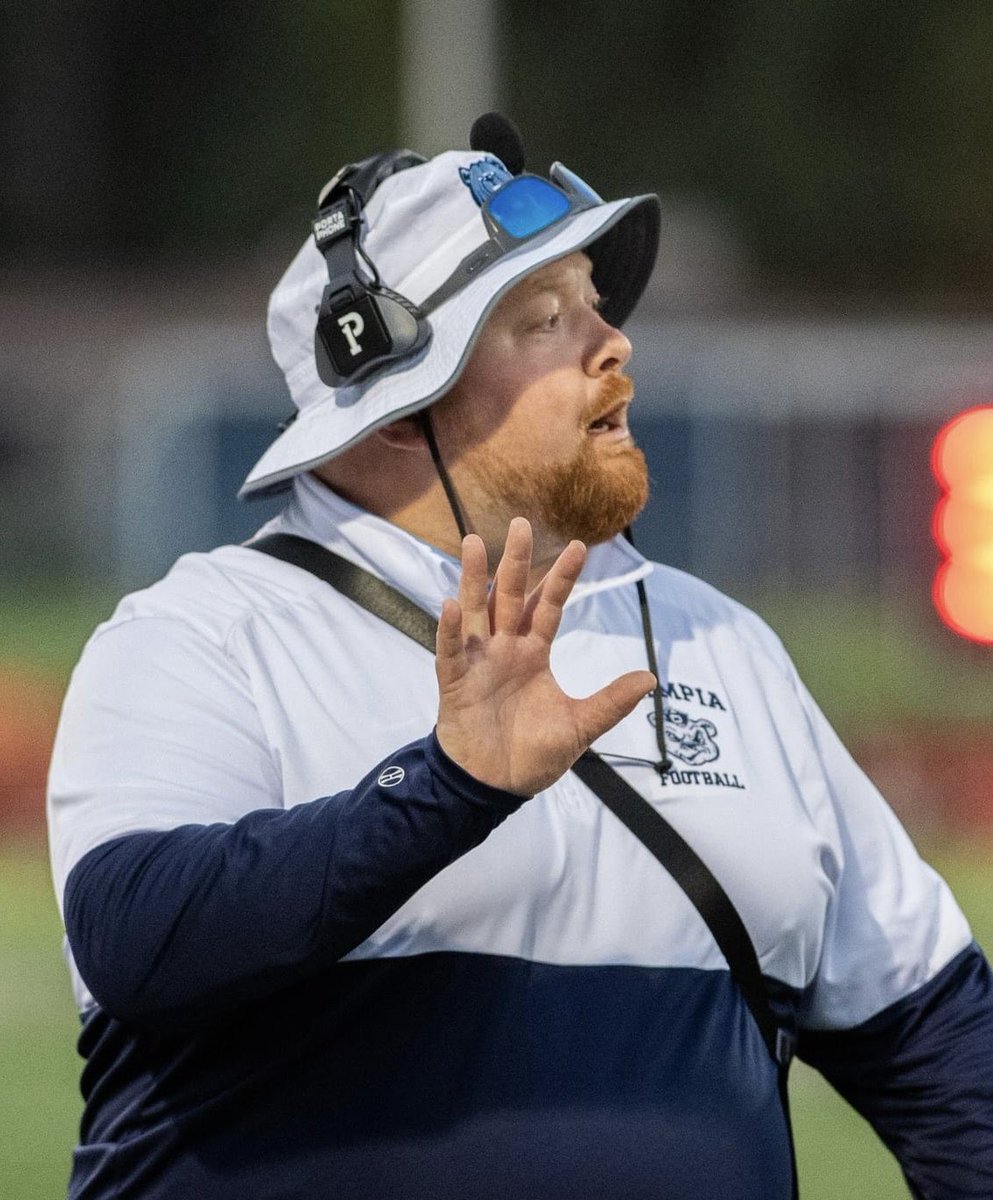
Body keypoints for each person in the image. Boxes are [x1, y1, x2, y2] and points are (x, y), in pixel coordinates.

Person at [48, 115, 993, 1200]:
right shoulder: (207, 632)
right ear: (398, 411)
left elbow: (940, 1045)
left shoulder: (722, 641)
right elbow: (141, 940)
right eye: (543, 318)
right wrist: (443, 791)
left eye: (596, 302)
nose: (612, 342)